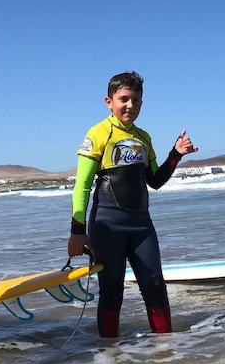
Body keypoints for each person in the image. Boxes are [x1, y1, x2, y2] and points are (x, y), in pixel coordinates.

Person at [67, 71, 197, 337]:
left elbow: (155, 181)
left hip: (141, 227)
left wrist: (175, 154)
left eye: (136, 100)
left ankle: (165, 352)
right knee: (112, 292)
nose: (130, 105)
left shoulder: (143, 137)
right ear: (109, 101)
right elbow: (82, 185)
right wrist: (77, 230)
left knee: (155, 287)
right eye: (124, 99)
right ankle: (108, 358)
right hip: (107, 227)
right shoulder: (98, 133)